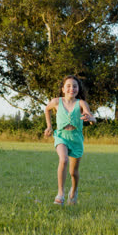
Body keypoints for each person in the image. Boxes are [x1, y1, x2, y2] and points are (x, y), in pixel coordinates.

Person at [44, 75, 96, 205]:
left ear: (78, 89)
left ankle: (74, 190)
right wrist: (49, 126)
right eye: (68, 86)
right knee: (63, 159)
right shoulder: (56, 102)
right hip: (61, 136)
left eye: (74, 86)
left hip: (76, 139)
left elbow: (92, 118)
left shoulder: (81, 103)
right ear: (63, 89)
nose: (71, 88)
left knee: (73, 172)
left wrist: (91, 119)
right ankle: (60, 194)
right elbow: (47, 109)